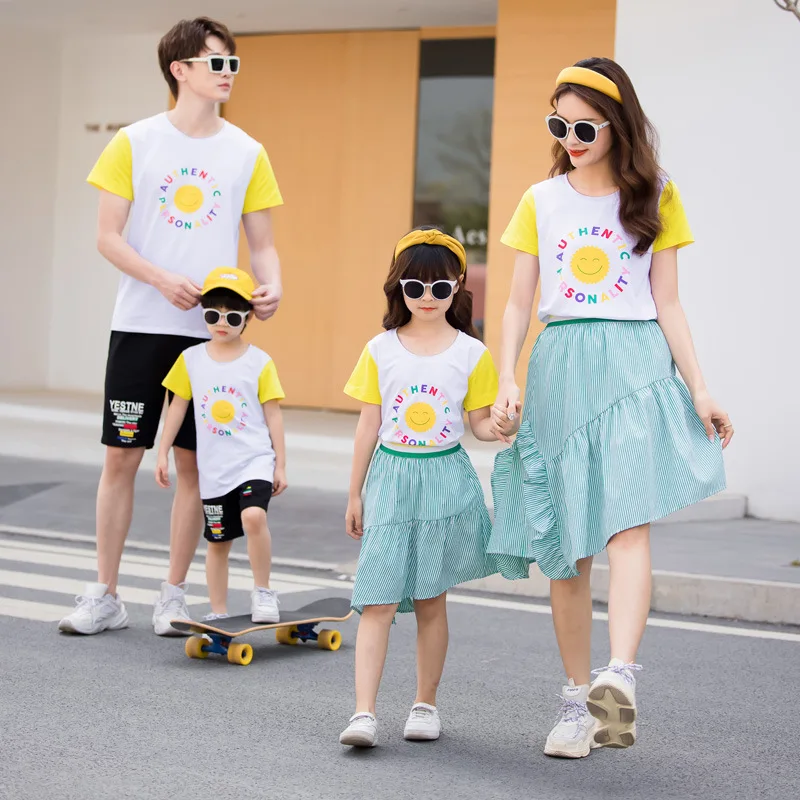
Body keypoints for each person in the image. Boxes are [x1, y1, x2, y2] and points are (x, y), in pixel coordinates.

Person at [487, 58, 733, 758]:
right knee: (566, 549)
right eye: (557, 124)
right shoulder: (540, 198)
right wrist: (506, 376)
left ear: (616, 123)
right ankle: (576, 703)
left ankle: (618, 675)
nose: (570, 136)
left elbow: (670, 303)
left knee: (628, 522)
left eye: (584, 124)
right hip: (560, 367)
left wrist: (701, 388)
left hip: (631, 364)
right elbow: (515, 303)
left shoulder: (656, 193)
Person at [58, 17, 284, 636]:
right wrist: (160, 280)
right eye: (216, 62)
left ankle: (172, 596)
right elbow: (107, 237)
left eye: (232, 63)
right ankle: (104, 593)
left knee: (195, 468)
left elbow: (262, 245)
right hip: (140, 324)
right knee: (122, 457)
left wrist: (273, 285)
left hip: (212, 335)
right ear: (179, 69)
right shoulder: (134, 141)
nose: (228, 73)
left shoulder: (247, 152)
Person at [338, 227, 501, 748]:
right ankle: (364, 714)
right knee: (378, 599)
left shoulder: (473, 353)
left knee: (431, 600)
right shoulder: (379, 349)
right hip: (390, 477)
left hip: (443, 480)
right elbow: (369, 424)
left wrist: (504, 424)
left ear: (457, 287)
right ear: (397, 289)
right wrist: (355, 491)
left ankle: (425, 704)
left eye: (438, 287)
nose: (427, 297)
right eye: (415, 287)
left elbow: (479, 425)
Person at [156, 267, 286, 624]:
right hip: (213, 469)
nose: (221, 322)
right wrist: (163, 450)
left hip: (253, 461)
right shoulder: (190, 360)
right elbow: (176, 407)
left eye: (232, 315)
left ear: (247, 317)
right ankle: (219, 611)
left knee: (253, 516)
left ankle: (263, 592)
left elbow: (274, 416)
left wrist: (280, 465)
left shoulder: (260, 362)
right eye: (212, 314)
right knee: (218, 543)